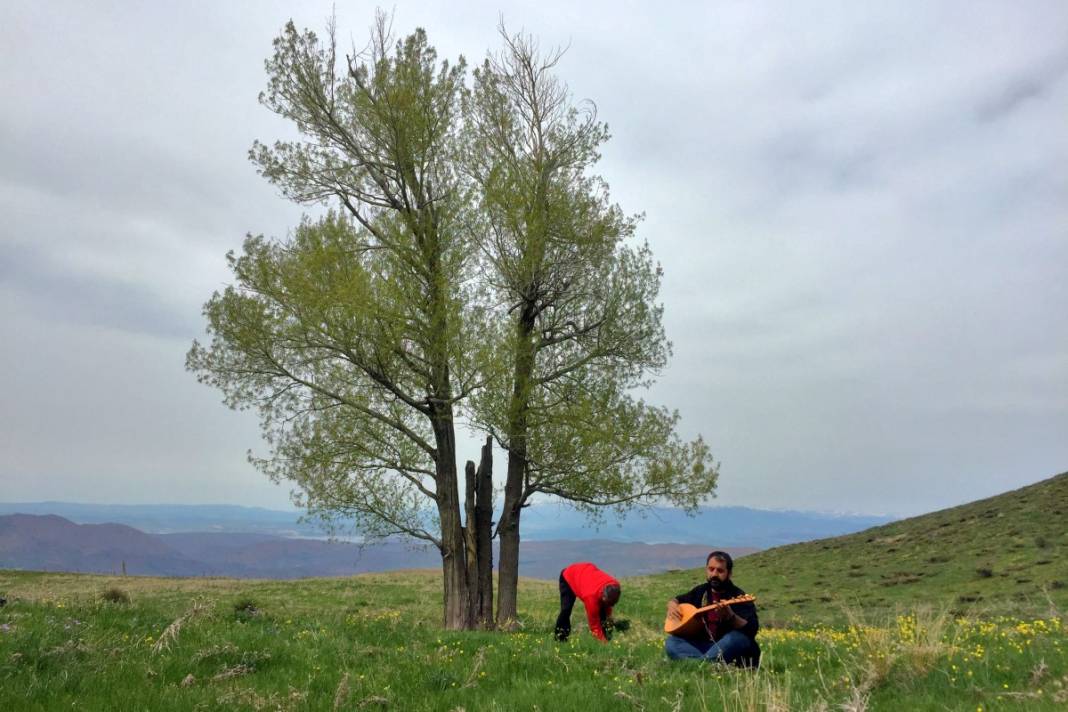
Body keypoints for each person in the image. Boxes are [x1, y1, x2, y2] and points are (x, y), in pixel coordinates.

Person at [664, 550, 760, 667]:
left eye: (720, 571)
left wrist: (731, 617)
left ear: (729, 574)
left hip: (725, 647)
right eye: (711, 569)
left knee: (737, 638)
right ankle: (708, 664)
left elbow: (752, 629)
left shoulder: (738, 596)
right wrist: (672, 606)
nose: (714, 574)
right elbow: (677, 600)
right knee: (672, 642)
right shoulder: (701, 591)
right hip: (703, 645)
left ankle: (697, 665)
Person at [554, 562, 621, 642]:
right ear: (603, 596)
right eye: (608, 602)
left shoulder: (615, 585)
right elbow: (594, 625)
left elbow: (608, 606)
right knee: (566, 610)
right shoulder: (590, 596)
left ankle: (605, 631)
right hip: (568, 575)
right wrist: (604, 643)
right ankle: (560, 639)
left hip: (585, 571)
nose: (611, 606)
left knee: (603, 610)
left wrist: (609, 618)